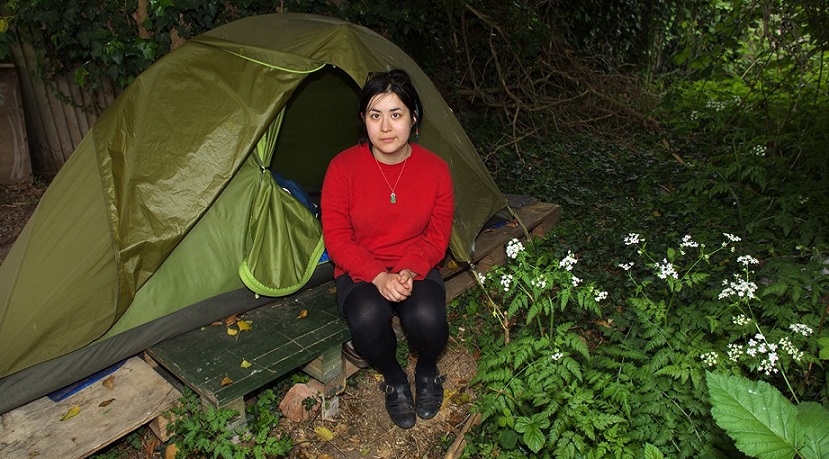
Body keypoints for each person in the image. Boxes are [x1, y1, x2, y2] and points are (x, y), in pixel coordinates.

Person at [321, 69, 455, 429]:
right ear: (363, 120)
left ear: (413, 117)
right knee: (366, 316)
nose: (385, 127)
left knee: (426, 318)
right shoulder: (342, 168)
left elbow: (437, 236)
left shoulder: (436, 170)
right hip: (361, 267)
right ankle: (394, 377)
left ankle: (426, 368)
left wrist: (409, 270)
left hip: (416, 265)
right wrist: (378, 276)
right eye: (374, 115)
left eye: (396, 114)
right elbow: (337, 238)